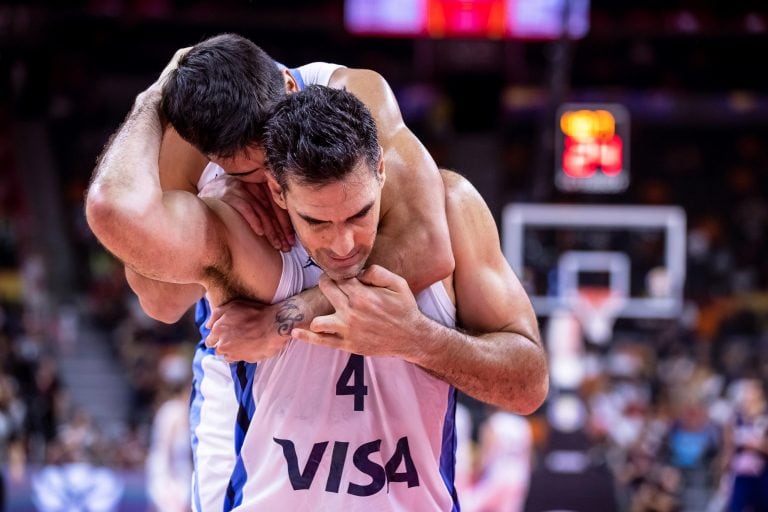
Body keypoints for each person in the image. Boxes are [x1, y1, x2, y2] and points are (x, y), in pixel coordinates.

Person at [86, 73, 547, 510]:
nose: (343, 243)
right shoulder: (240, 227)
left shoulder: (451, 212)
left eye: (360, 214)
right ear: (277, 192)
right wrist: (157, 97)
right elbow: (118, 220)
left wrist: (418, 339)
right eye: (318, 222)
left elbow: (528, 384)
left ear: (382, 169)